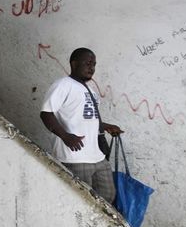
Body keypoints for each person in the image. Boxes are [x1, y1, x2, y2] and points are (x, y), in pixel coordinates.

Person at [40, 48, 123, 203]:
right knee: (81, 202)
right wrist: (65, 136)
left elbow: (86, 118)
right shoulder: (63, 85)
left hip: (97, 156)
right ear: (74, 63)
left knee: (108, 198)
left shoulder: (90, 90)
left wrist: (105, 126)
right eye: (88, 63)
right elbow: (46, 113)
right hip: (74, 156)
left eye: (94, 64)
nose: (92, 68)